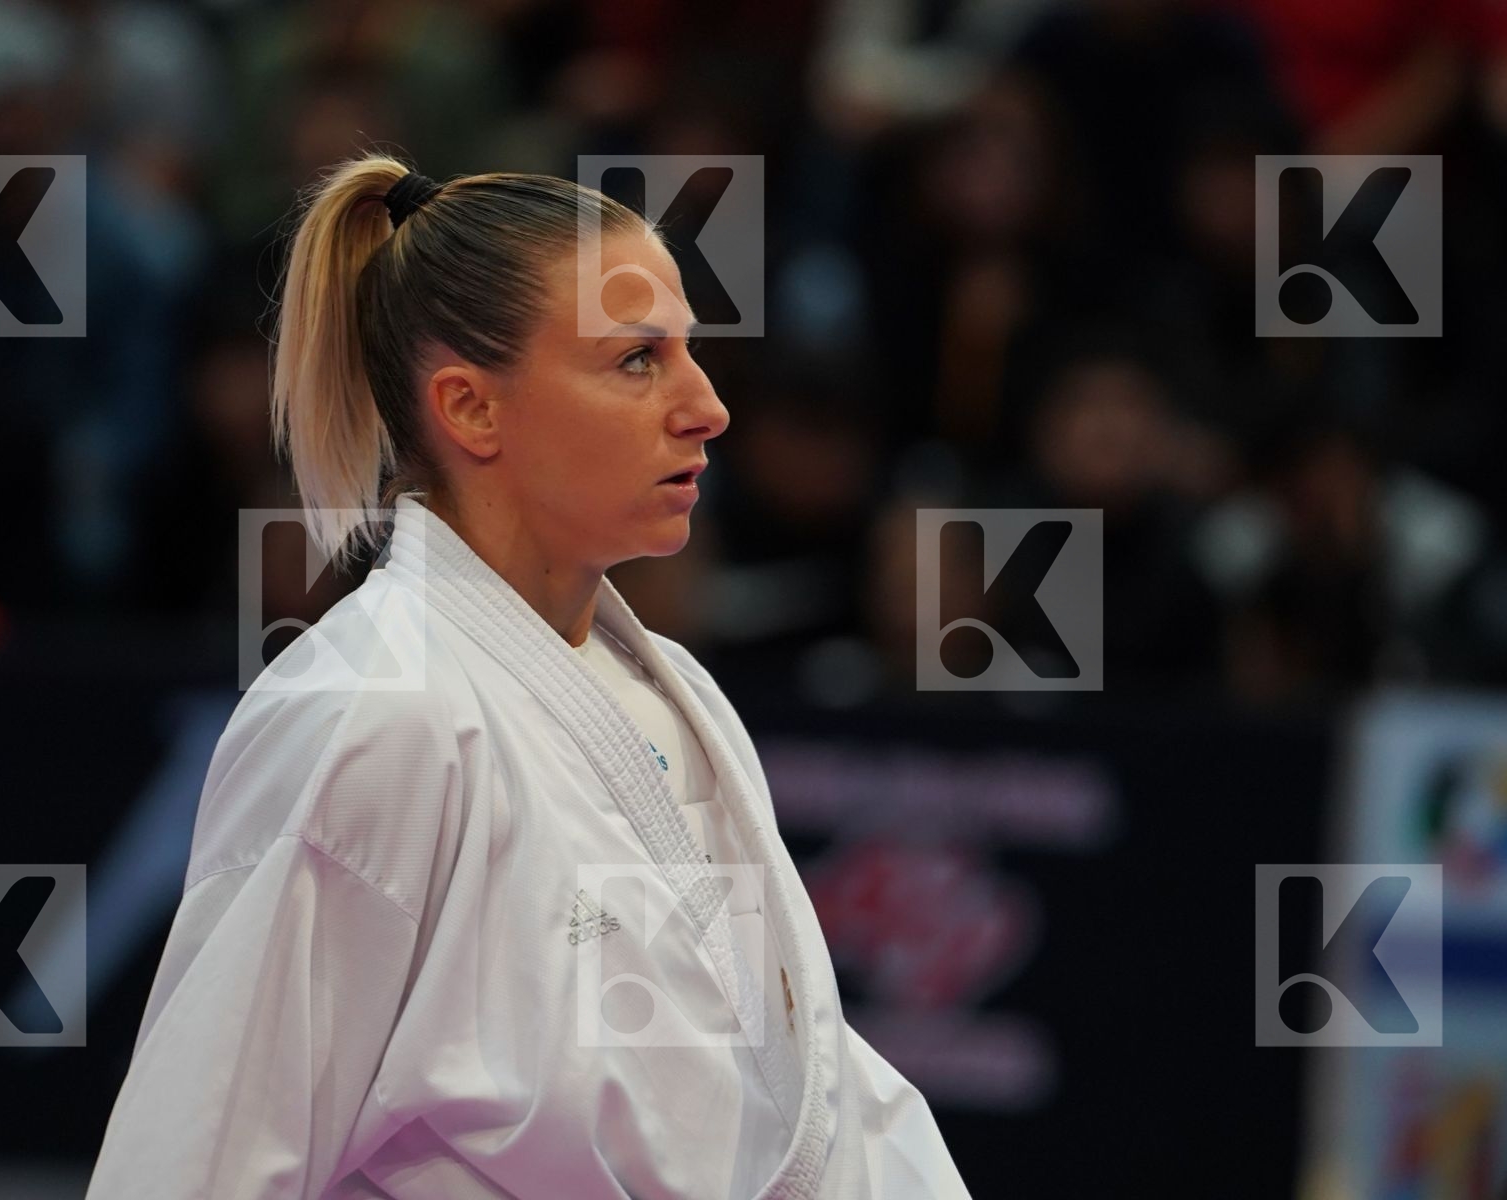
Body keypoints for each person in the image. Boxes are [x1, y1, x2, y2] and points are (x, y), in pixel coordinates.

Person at [86, 154, 973, 1199]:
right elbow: (203, 1155)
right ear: (471, 409)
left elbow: (797, 1095)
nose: (706, 406)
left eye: (689, 351)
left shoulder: (674, 692)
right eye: (637, 360)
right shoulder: (373, 710)